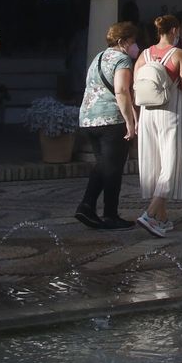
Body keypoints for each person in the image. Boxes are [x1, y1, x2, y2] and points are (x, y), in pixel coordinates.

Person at [135, 14, 182, 237]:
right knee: (170, 165)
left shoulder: (144, 55)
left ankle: (162, 218)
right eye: (179, 30)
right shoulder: (178, 54)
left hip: (147, 114)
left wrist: (134, 118)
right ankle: (150, 214)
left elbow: (134, 86)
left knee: (155, 165)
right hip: (170, 113)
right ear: (174, 30)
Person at [76, 21, 139, 230]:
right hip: (111, 119)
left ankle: (87, 207)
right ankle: (109, 214)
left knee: (103, 164)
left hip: (88, 118)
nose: (134, 46)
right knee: (113, 168)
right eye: (132, 41)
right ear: (122, 42)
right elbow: (122, 90)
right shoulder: (122, 59)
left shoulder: (99, 56)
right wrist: (130, 122)